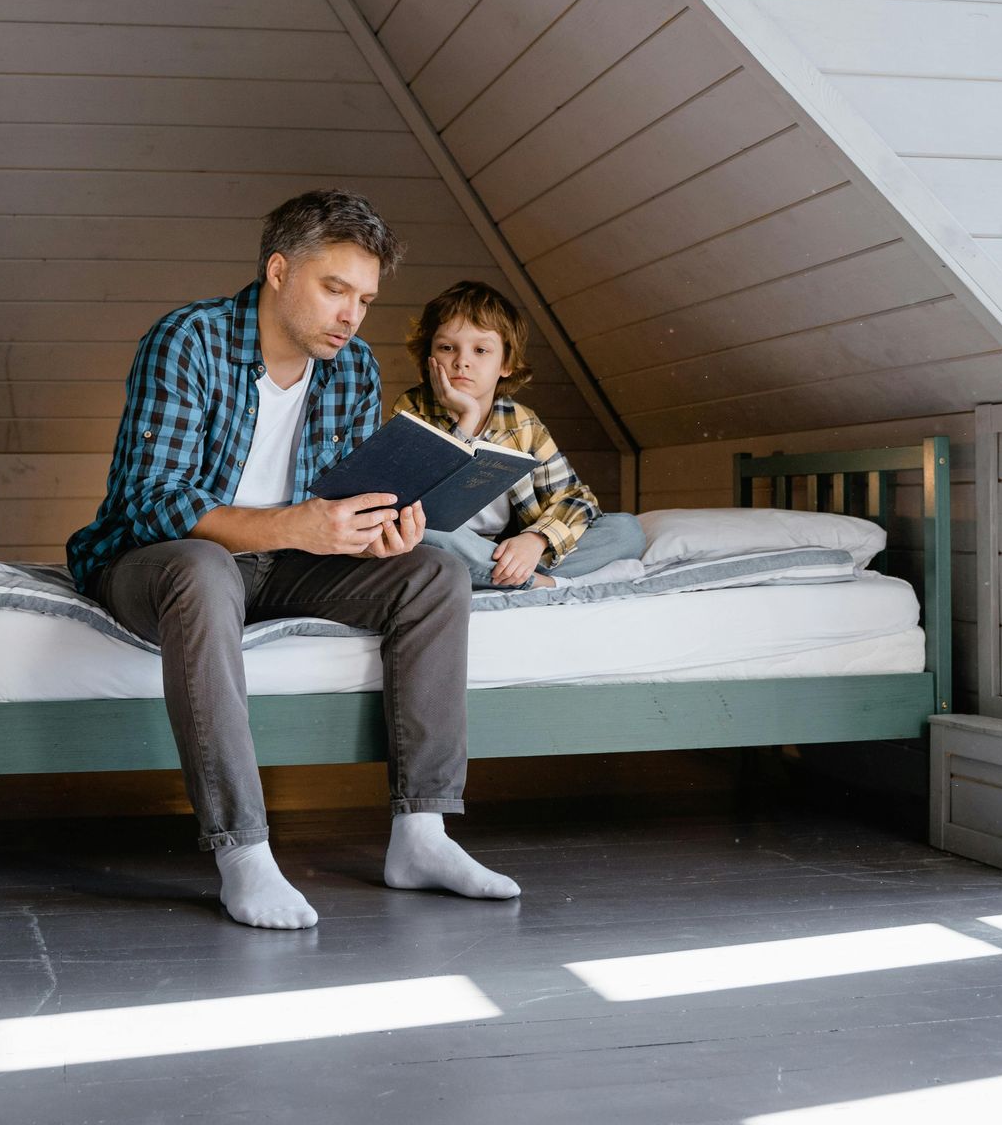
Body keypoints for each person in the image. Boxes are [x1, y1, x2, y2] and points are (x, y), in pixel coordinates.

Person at [66, 191, 519, 930]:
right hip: (157, 564)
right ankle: (242, 850)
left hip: (286, 563)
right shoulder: (189, 340)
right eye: (334, 289)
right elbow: (148, 501)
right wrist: (295, 525)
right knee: (205, 567)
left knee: (433, 573)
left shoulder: (354, 368)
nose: (351, 316)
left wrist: (378, 532)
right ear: (278, 271)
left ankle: (422, 837)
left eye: (365, 299)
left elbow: (341, 501)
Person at [394, 281, 644, 590]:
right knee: (420, 531)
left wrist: (536, 539)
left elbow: (576, 499)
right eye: (447, 347)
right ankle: (539, 584)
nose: (462, 361)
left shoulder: (523, 423)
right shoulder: (412, 409)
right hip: (449, 542)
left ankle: (505, 574)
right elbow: (422, 506)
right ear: (428, 357)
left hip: (507, 549)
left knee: (627, 530)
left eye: (481, 350)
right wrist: (467, 420)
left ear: (507, 364)